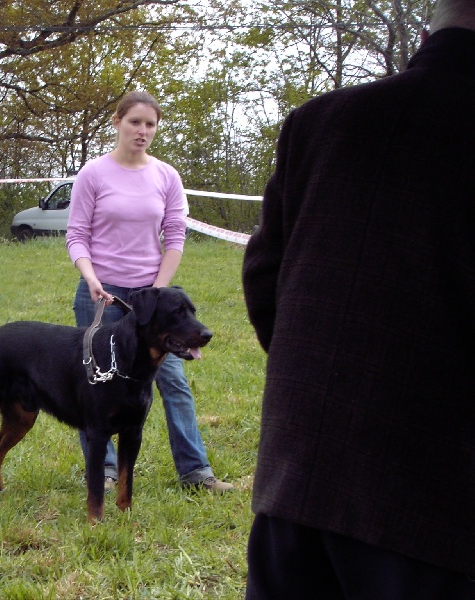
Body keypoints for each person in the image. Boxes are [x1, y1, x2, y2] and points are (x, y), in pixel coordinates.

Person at [241, 1, 475, 597]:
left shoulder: (318, 122)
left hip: (296, 487)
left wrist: (325, 385)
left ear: (425, 33)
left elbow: (265, 276)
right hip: (437, 510)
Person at [66, 90, 233, 493]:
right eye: (134, 122)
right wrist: (91, 277)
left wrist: (158, 292)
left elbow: (175, 235)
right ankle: (103, 472)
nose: (142, 131)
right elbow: (77, 235)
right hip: (102, 295)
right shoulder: (93, 174)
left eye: (150, 124)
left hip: (153, 302)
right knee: (99, 383)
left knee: (172, 381)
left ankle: (196, 473)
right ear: (117, 122)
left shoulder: (166, 176)